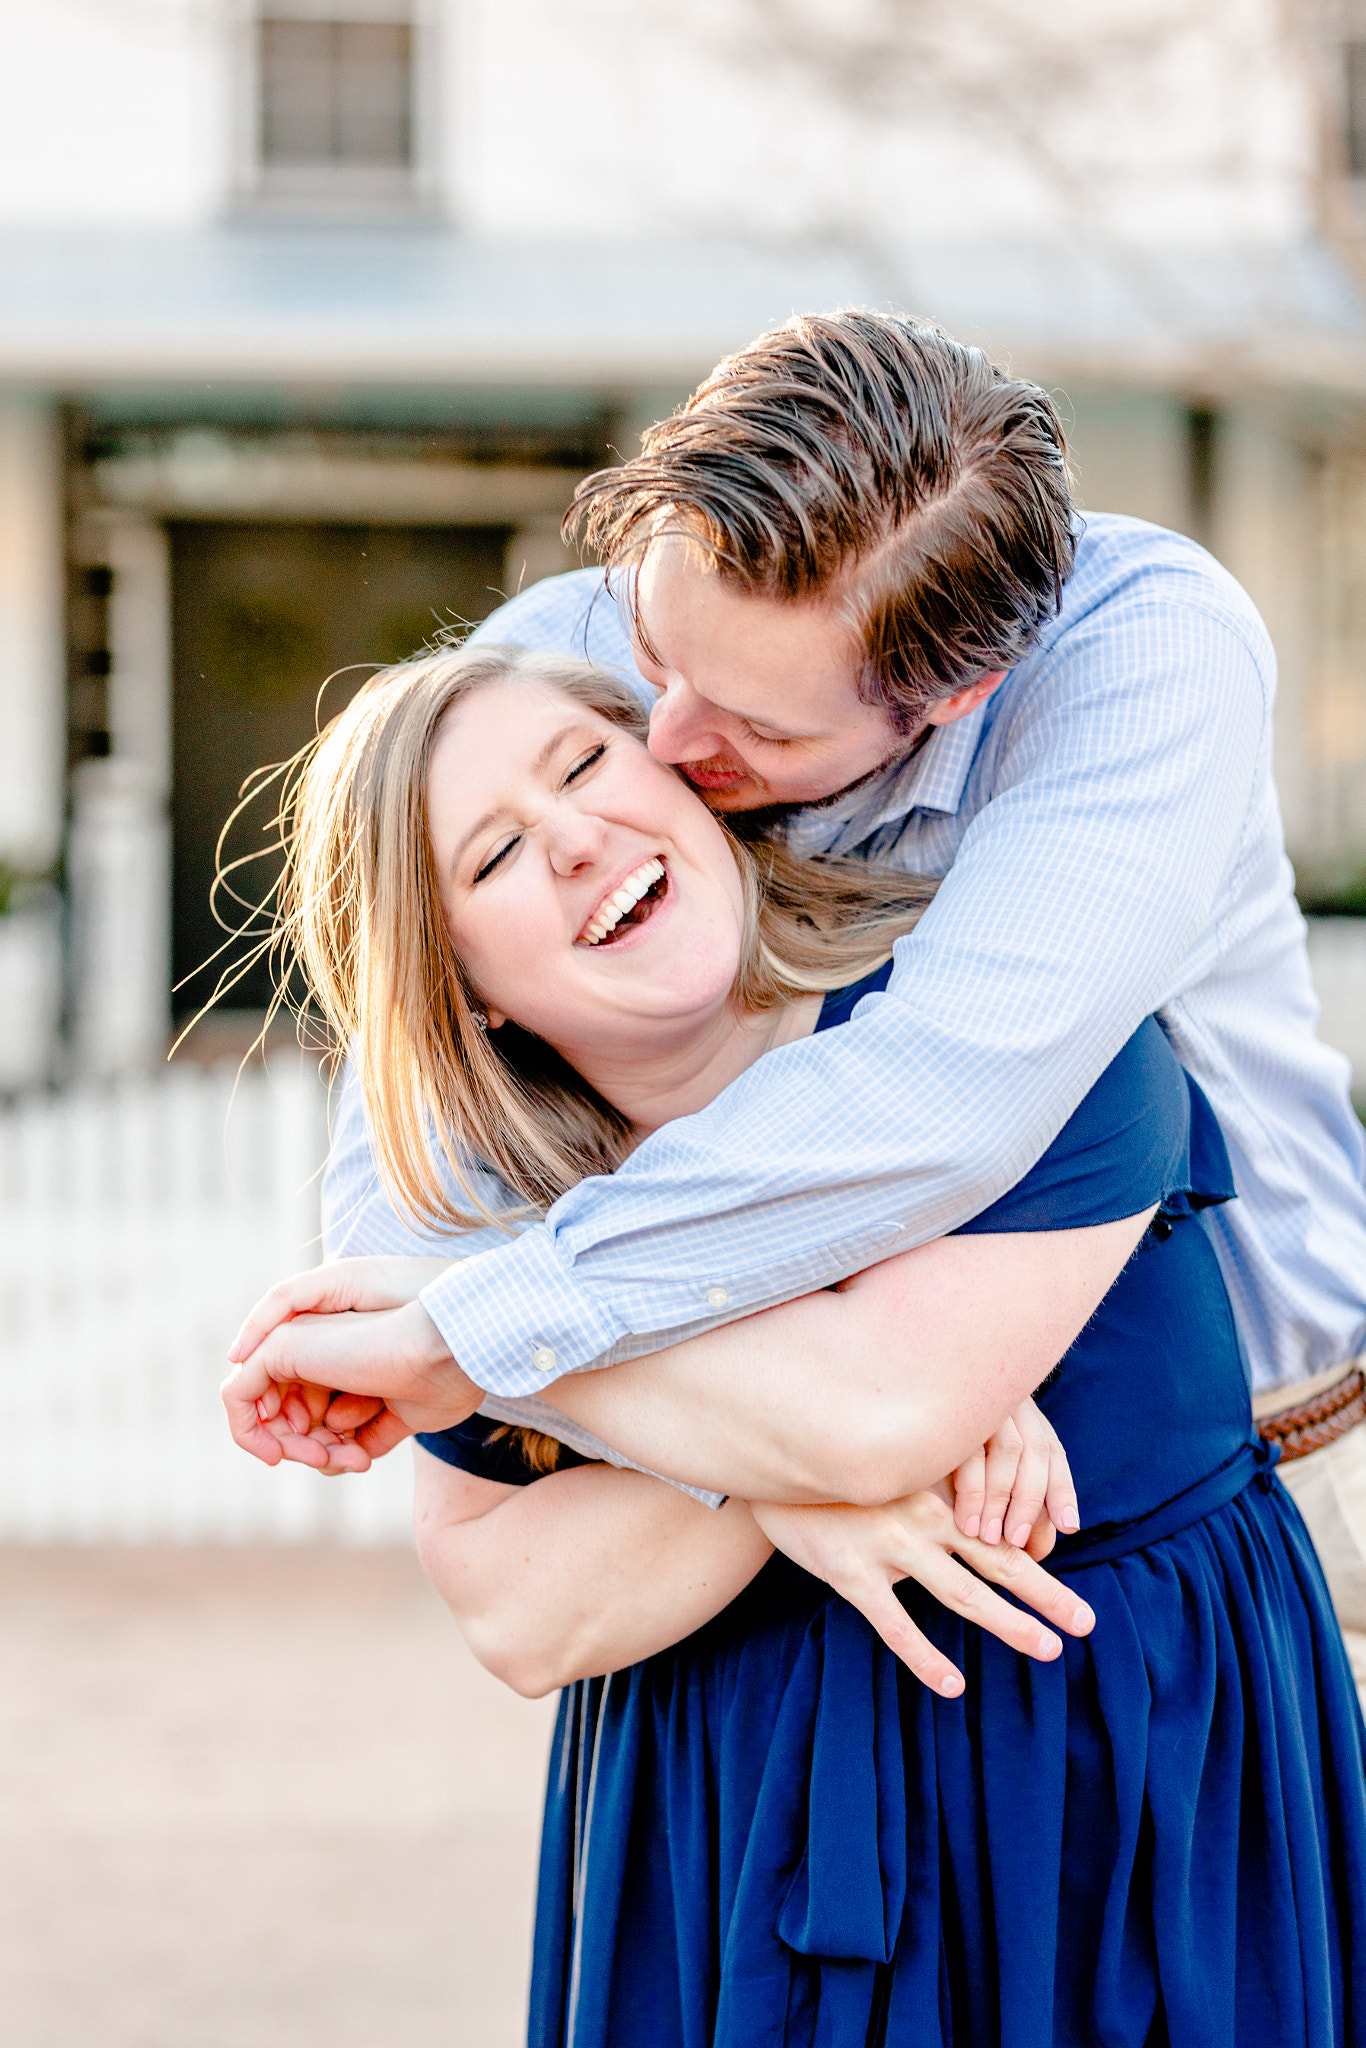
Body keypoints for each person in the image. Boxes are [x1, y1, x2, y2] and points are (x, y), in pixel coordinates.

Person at [223, 643, 1366, 2047]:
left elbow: (878, 1414)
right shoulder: (487, 1211)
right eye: (498, 854)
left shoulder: (1011, 1033)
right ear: (462, 987)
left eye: (585, 765)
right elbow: (520, 1612)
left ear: (688, 778)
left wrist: (473, 1341)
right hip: (727, 1828)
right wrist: (779, 1469)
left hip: (1120, 1806)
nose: (577, 839)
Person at [309, 309, 1366, 1653]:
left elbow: (930, 1106)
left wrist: (488, 1335)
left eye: (758, 727)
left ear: (958, 695)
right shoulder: (564, 664)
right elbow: (406, 1219)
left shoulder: (1138, 662)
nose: (669, 741)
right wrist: (785, 1468)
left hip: (1243, 1479)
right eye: (657, 656)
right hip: (777, 1505)